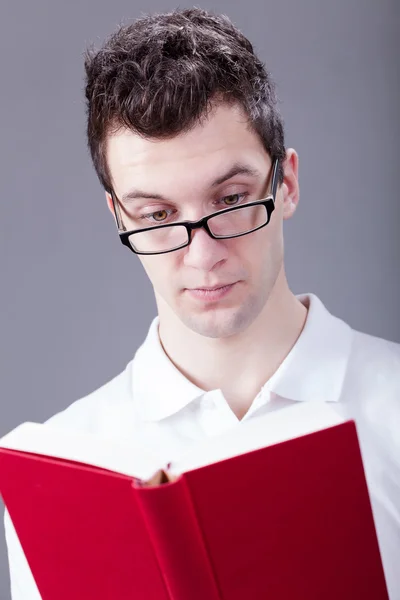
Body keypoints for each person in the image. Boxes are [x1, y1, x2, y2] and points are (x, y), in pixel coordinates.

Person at [4, 7, 400, 599]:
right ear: (118, 217)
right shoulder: (64, 464)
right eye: (158, 215)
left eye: (232, 197)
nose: (203, 254)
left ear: (284, 184)